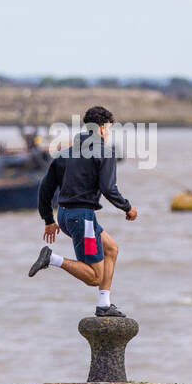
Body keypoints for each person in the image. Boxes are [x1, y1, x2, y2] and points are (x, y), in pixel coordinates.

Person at [28, 106, 137, 317]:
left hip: (66, 215)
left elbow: (45, 187)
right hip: (82, 219)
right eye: (109, 129)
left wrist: (48, 219)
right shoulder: (105, 152)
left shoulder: (65, 153)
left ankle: (104, 304)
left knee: (111, 249)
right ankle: (52, 259)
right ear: (103, 128)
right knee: (95, 276)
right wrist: (128, 207)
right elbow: (108, 188)